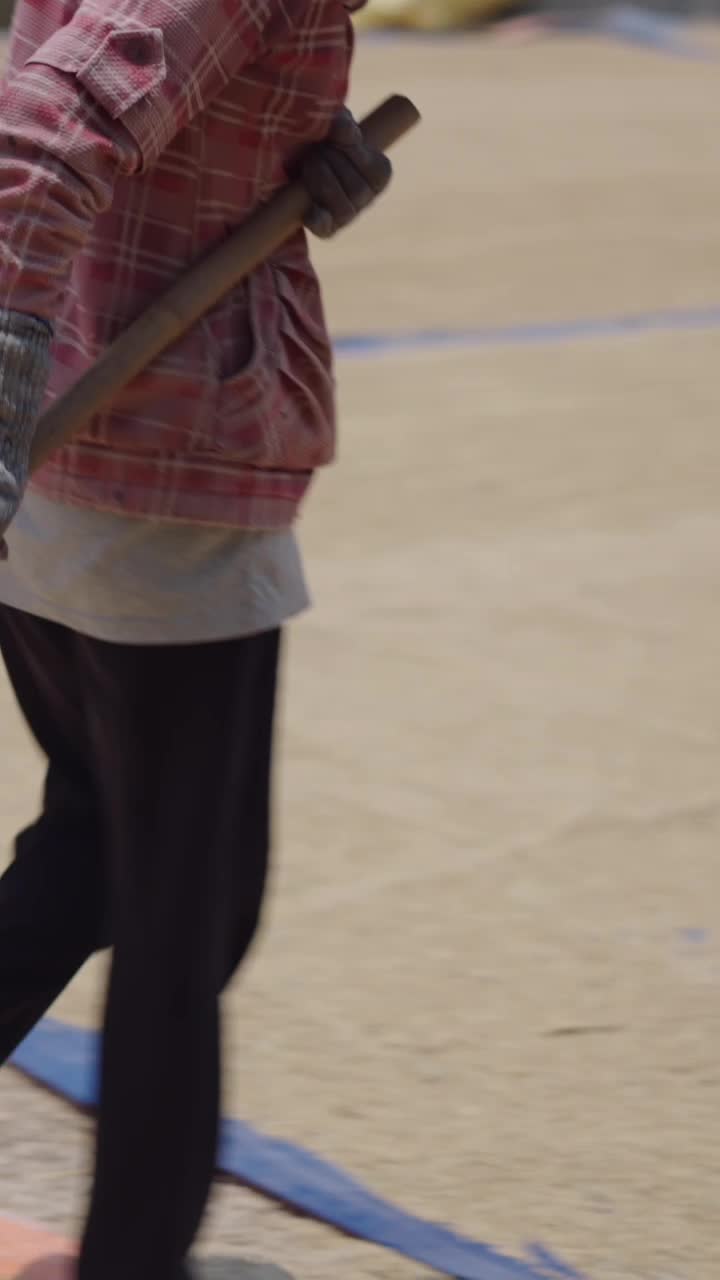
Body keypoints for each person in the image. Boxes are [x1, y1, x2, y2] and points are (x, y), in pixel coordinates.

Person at [0, 2, 392, 1278]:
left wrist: (291, 143)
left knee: (97, 851)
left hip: (89, 453)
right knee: (185, 912)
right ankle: (135, 1262)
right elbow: (52, 125)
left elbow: (143, 94)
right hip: (151, 483)